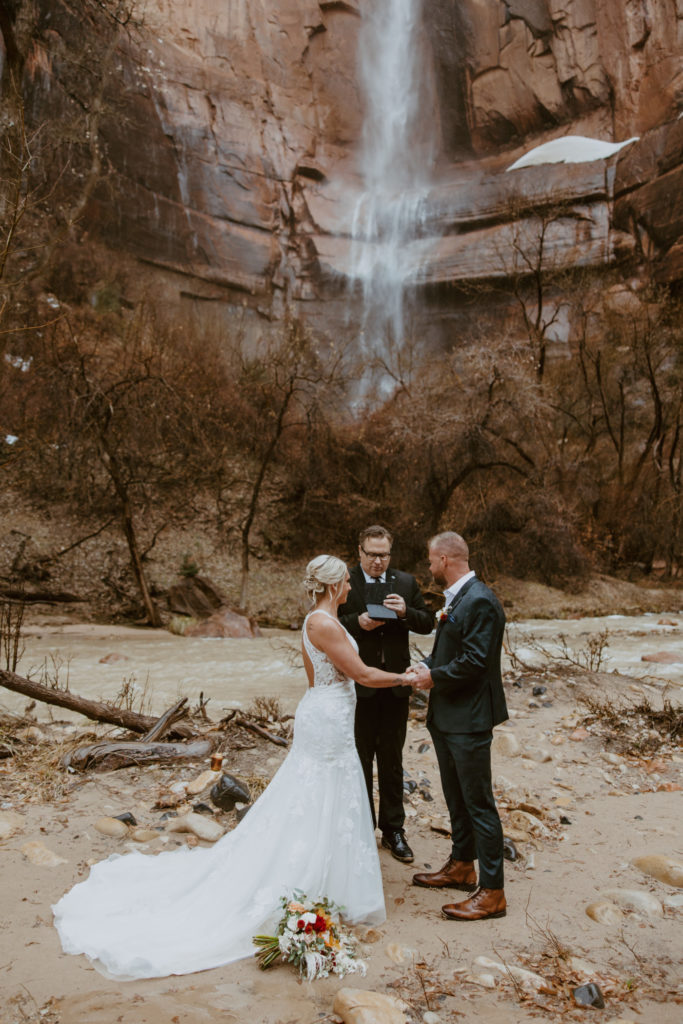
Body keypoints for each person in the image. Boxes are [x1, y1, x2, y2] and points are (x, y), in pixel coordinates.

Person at [53, 556, 407, 980]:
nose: (351, 587)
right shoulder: (323, 623)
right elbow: (364, 675)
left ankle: (328, 880)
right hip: (327, 719)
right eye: (347, 582)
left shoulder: (322, 618)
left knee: (326, 794)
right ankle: (305, 878)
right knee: (317, 793)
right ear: (333, 586)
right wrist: (408, 679)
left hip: (328, 713)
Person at [408, 531, 508, 921]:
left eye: (431, 561)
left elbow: (476, 662)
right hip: (449, 716)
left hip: (468, 718)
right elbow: (452, 652)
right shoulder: (460, 599)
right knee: (456, 796)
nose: (429, 567)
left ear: (446, 560)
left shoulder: (480, 600)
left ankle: (493, 891)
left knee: (479, 802)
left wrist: (433, 677)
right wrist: (427, 667)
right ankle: (462, 865)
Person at [338, 525, 433, 864]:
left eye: (383, 555)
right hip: (356, 686)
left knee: (392, 761)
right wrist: (357, 622)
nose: (378, 561)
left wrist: (406, 612)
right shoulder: (345, 581)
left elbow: (428, 622)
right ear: (359, 553)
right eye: (371, 555)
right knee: (359, 760)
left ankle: (394, 830)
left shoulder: (405, 582)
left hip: (395, 685)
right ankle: (362, 829)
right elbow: (327, 623)